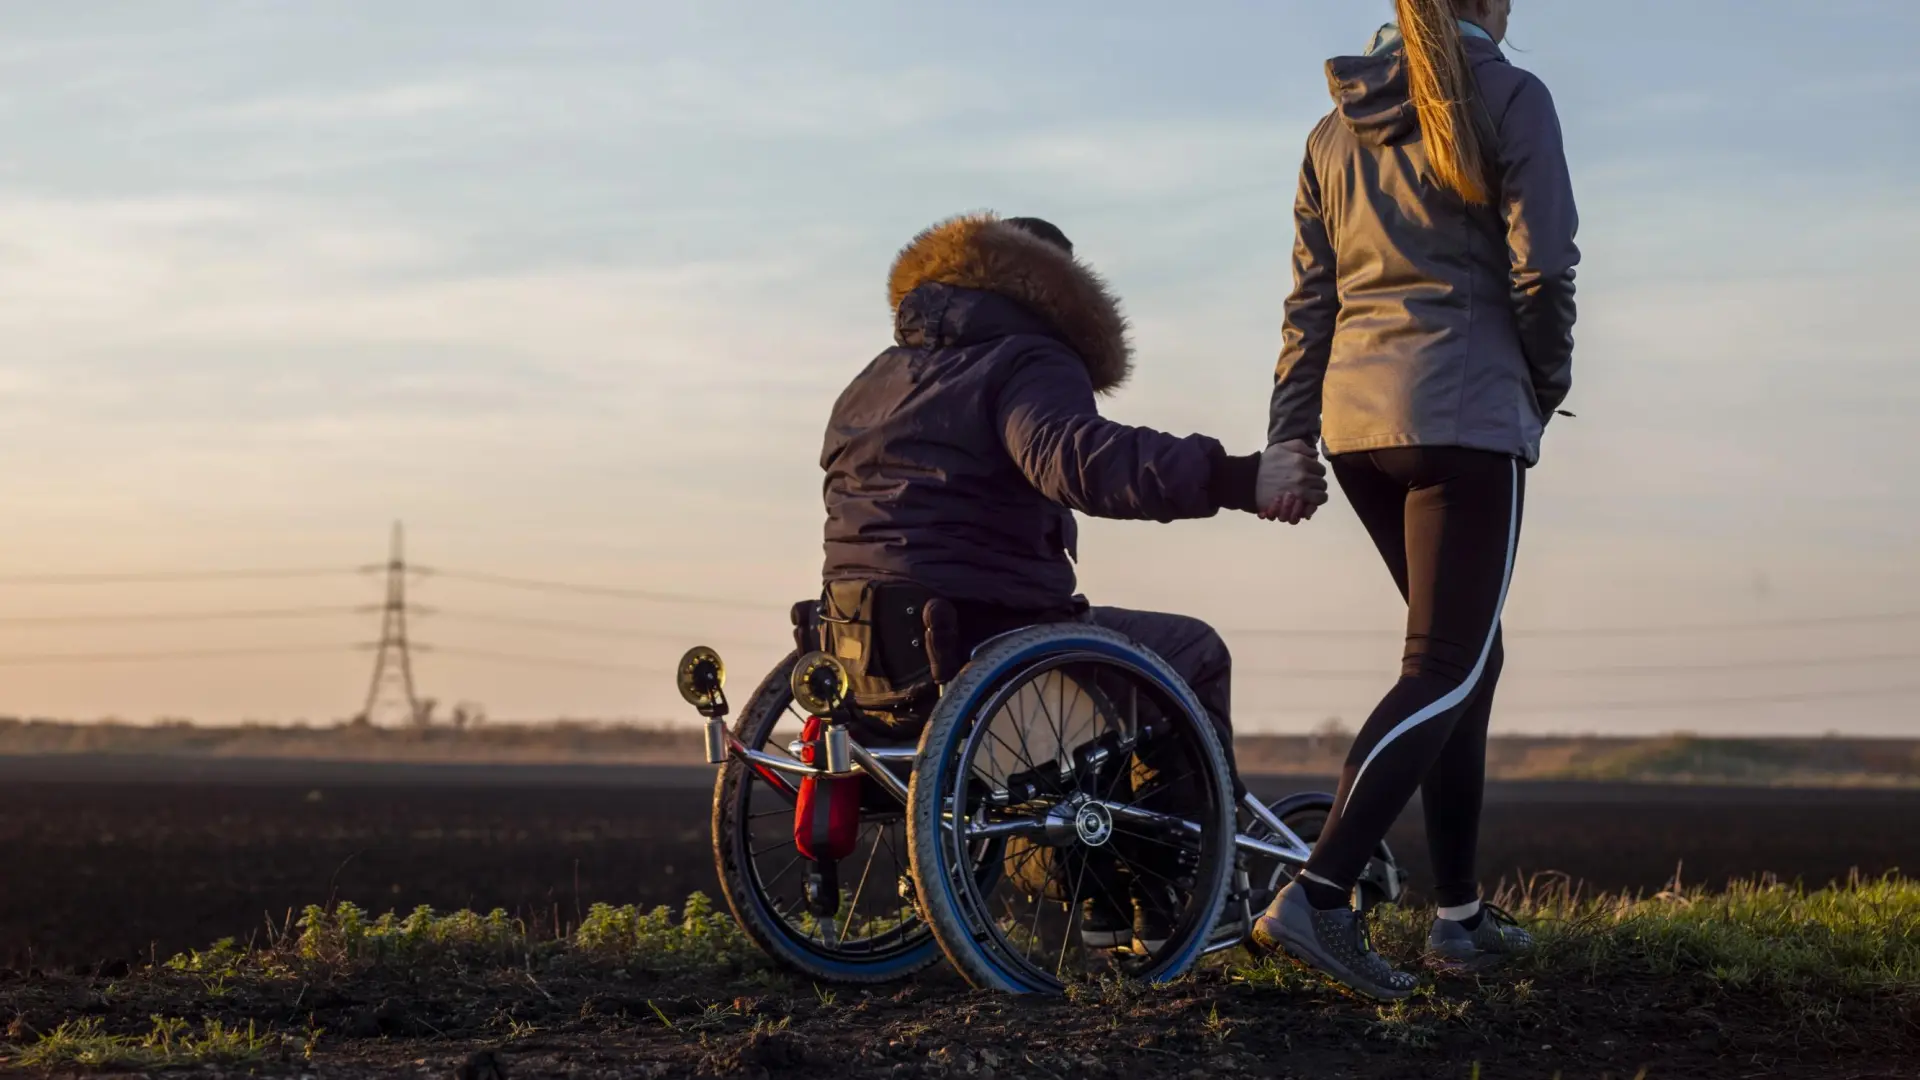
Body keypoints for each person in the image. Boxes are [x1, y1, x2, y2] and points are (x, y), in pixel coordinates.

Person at [819, 211, 1326, 949]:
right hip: (977, 638)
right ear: (1056, 288)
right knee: (1190, 654)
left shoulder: (875, 378)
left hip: (864, 650)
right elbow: (1080, 460)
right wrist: (1239, 477)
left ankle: (1100, 906)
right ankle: (1178, 887)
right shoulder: (1028, 358)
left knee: (1093, 676)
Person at [1250, 0, 1579, 999]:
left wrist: (1289, 433)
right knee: (1444, 663)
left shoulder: (1332, 129)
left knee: (1467, 657)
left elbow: (1310, 304)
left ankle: (1459, 916)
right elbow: (1545, 267)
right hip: (1464, 415)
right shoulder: (1512, 97)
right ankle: (1319, 894)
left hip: (1358, 430)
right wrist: (1544, 383)